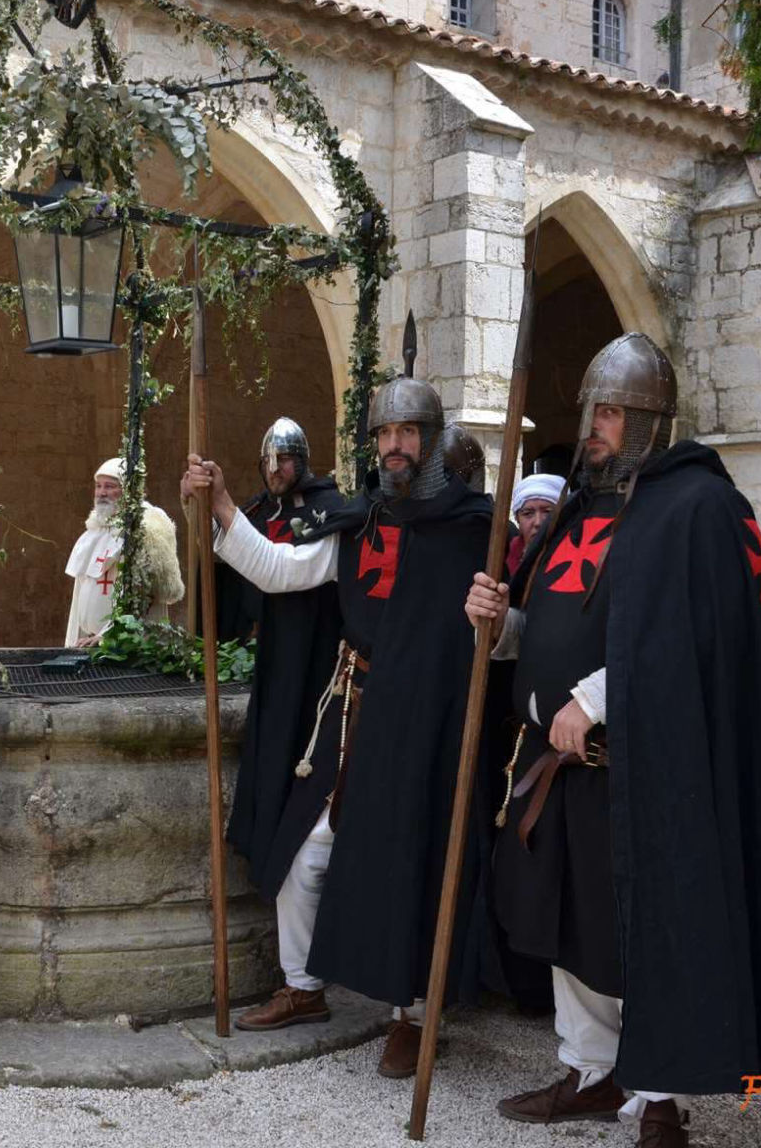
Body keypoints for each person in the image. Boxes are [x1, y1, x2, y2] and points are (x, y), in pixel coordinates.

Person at [464, 333, 761, 1147]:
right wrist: (502, 627)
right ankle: (591, 1072)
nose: (596, 425)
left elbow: (702, 636)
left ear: (650, 420)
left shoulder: (699, 506)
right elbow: (559, 624)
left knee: (649, 926)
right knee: (570, 921)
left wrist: (594, 701)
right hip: (555, 766)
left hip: (649, 765)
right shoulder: (574, 509)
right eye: (593, 409)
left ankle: (658, 1096)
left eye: (614, 411)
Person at [185, 371, 491, 1076]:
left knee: (411, 860)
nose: (395, 446)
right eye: (384, 434)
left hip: (430, 718)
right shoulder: (357, 523)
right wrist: (226, 504)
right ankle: (303, 987)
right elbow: (279, 569)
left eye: (408, 433)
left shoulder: (475, 527)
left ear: (433, 441)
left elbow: (496, 634)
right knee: (305, 846)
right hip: (356, 710)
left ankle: (410, 1015)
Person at [181, 418, 346, 1031]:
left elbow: (281, 571)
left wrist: (222, 507)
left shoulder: (332, 514)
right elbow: (226, 590)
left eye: (289, 457)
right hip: (277, 693)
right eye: (271, 458)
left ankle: (312, 982)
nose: (279, 467)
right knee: (279, 824)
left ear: (306, 458)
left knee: (308, 839)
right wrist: (205, 514)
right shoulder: (261, 510)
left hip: (325, 696)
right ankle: (300, 983)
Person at [64, 457, 184, 646]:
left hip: (128, 644)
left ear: (130, 491)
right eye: (98, 486)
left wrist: (108, 637)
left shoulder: (148, 527)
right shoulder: (94, 531)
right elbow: (80, 595)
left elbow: (142, 597)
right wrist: (72, 643)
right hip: (88, 643)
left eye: (110, 486)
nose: (101, 493)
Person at [507, 471, 566, 577]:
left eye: (548, 512)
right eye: (528, 513)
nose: (538, 522)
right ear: (517, 519)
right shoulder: (505, 560)